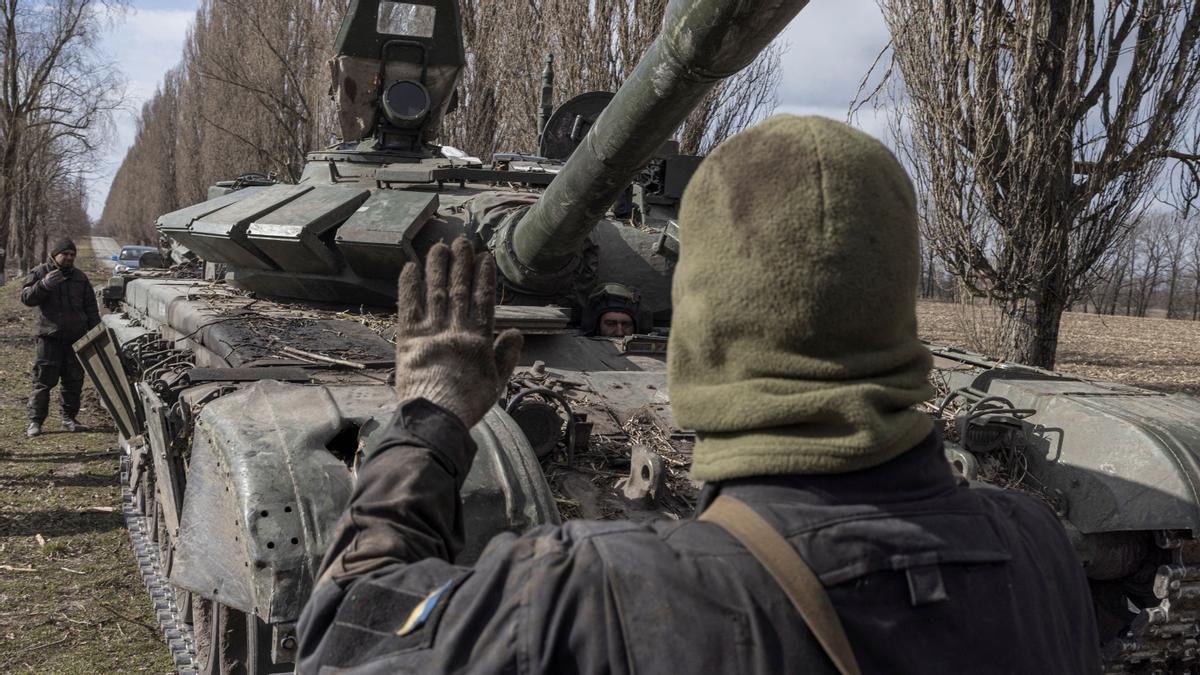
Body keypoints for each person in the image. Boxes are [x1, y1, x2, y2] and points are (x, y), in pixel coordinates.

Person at [296, 116, 1101, 673]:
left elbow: (343, 638)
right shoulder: (1037, 547)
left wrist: (428, 418)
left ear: (696, 331)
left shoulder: (585, 600)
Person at [21, 238, 100, 437]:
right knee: (43, 382)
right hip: (49, 338)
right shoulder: (40, 273)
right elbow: (27, 298)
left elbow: (91, 308)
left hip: (75, 339)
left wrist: (95, 333)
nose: (69, 258)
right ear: (55, 255)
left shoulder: (80, 278)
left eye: (72, 255)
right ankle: (36, 422)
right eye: (65, 254)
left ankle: (68, 419)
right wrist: (44, 285)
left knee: (73, 381)